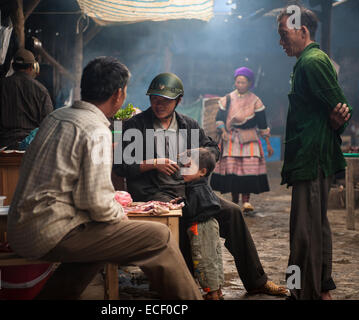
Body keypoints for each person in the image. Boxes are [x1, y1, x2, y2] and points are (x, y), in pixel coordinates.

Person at [7, 57, 202, 300]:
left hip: (20, 229)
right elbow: (97, 204)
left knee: (103, 243)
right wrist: (123, 215)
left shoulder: (57, 117)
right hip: (51, 232)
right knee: (159, 236)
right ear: (119, 94)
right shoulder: (96, 129)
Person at [113, 72, 287, 296]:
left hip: (189, 189)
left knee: (233, 213)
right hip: (155, 193)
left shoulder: (188, 124)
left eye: (166, 100)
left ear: (178, 101)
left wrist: (199, 156)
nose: (159, 104)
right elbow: (120, 166)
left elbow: (212, 149)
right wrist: (153, 163)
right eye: (155, 99)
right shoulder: (136, 125)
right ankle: (189, 282)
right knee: (187, 215)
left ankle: (256, 281)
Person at [277, 6, 352, 300]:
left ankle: (300, 293)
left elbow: (342, 106)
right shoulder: (304, 62)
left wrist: (339, 118)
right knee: (313, 228)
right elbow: (334, 110)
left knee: (303, 233)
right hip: (307, 157)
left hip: (312, 158)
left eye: (284, 35)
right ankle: (322, 290)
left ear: (303, 31)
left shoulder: (313, 62)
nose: (281, 42)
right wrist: (335, 119)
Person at [0, 48, 53, 192]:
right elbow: (48, 124)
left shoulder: (1, 85)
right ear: (31, 67)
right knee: (31, 190)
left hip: (4, 147)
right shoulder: (41, 90)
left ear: (14, 66)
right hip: (32, 149)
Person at [210, 67, 273, 213]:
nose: (240, 85)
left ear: (249, 83)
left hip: (249, 139)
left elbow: (262, 124)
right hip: (231, 138)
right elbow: (219, 118)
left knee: (248, 171)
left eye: (243, 82)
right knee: (233, 171)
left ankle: (246, 202)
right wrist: (223, 130)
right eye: (238, 82)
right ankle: (235, 202)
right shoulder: (227, 99)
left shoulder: (256, 101)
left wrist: (268, 144)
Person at [179, 148, 225, 300]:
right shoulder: (199, 185)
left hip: (202, 227)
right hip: (208, 225)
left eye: (187, 166)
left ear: (202, 171)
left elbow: (191, 210)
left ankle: (212, 294)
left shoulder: (197, 188)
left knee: (204, 260)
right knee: (213, 258)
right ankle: (217, 291)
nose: (182, 170)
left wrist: (180, 206)